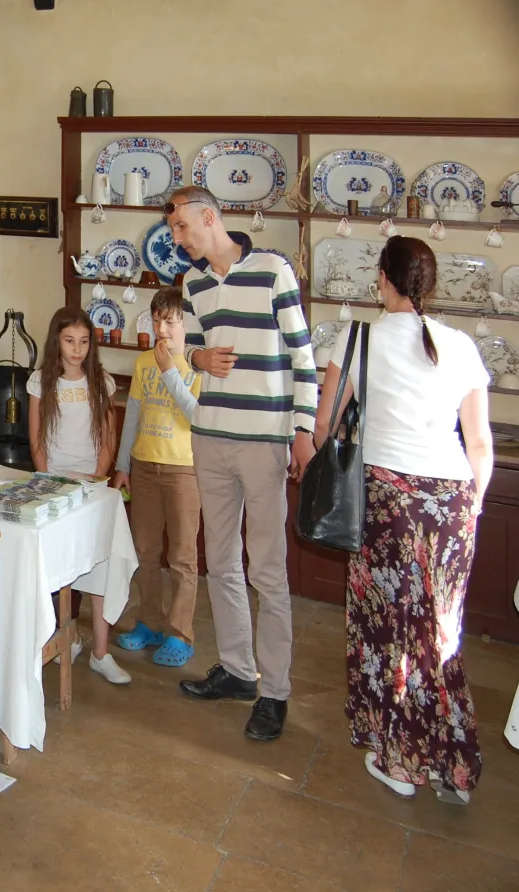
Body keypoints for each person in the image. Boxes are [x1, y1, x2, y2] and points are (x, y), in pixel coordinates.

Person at [316, 235, 492, 804]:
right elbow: (480, 442)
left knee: (389, 632)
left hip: (387, 502)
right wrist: (473, 507)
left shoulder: (360, 338)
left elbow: (324, 429)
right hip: (453, 502)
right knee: (439, 632)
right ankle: (452, 759)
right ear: (429, 284)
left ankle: (402, 760)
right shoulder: (461, 344)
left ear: (383, 280)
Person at [167, 186, 317, 742]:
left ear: (210, 217)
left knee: (268, 571)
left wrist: (303, 431)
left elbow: (304, 360)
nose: (178, 240)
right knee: (220, 563)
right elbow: (192, 351)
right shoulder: (193, 284)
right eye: (175, 231)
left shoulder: (274, 271)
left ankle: (274, 691)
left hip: (263, 443)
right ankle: (236, 669)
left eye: (183, 227)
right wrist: (196, 356)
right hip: (210, 438)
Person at [27, 306, 128, 684]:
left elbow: (108, 435)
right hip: (53, 487)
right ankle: (63, 634)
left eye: (84, 342)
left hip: (91, 486)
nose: (77, 349)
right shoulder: (40, 381)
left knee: (103, 564)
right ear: (57, 341)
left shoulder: (101, 381)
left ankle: (101, 652)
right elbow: (37, 439)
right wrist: (46, 480)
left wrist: (97, 478)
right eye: (69, 341)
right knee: (58, 568)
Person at [113, 287, 202, 667]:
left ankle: (180, 633)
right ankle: (148, 622)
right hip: (144, 467)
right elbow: (132, 415)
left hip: (184, 470)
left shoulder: (197, 365)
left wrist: (170, 372)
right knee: (145, 553)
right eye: (156, 320)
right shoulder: (142, 363)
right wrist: (122, 466)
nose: (162, 329)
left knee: (182, 557)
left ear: (185, 324)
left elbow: (195, 416)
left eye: (170, 321)